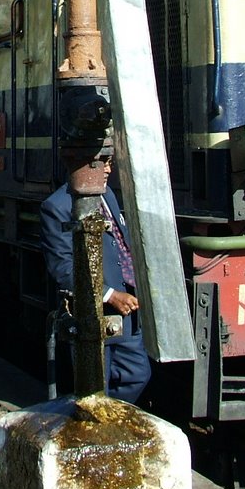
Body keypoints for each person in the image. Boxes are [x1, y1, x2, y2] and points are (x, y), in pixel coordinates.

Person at [39, 153, 151, 404]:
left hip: (128, 310)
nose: (109, 169)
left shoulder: (107, 195)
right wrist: (110, 295)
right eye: (103, 164)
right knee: (95, 383)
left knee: (137, 374)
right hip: (94, 310)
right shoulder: (56, 207)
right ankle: (97, 427)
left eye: (110, 163)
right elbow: (63, 267)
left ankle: (113, 419)